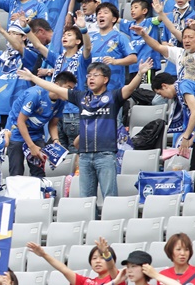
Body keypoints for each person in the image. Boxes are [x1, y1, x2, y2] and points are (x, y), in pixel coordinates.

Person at [18, 58, 152, 198]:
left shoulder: (113, 96)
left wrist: (139, 74)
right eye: (89, 75)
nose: (91, 78)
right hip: (85, 157)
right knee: (85, 198)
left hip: (105, 155)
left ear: (105, 79)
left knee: (109, 196)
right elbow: (54, 88)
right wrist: (32, 77)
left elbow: (129, 88)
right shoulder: (80, 97)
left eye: (95, 75)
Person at [151, 72, 195, 189]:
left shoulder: (183, 85)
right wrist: (188, 142)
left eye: (160, 93)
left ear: (164, 86)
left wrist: (185, 137)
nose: (162, 97)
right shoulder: (180, 91)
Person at [7, 72, 76, 178]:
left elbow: (53, 124)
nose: (69, 92)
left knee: (39, 173)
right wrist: (31, 146)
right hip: (18, 132)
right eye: (68, 88)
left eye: (72, 89)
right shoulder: (35, 94)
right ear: (57, 85)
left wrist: (56, 140)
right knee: (16, 174)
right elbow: (21, 122)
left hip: (36, 134)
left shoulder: (61, 101)